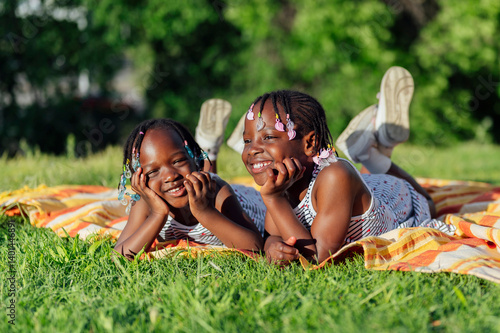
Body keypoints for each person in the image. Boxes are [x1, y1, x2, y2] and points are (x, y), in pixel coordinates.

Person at [241, 66, 452, 265]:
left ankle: (374, 154)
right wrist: (273, 246)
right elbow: (272, 235)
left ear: (310, 143)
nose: (252, 150)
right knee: (362, 180)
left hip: (396, 201)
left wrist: (272, 199)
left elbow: (319, 257)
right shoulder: (281, 185)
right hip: (358, 191)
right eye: (247, 141)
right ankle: (370, 152)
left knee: (428, 204)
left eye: (268, 137)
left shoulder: (334, 176)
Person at [114, 107, 265, 259]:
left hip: (253, 201)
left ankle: (241, 146)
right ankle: (210, 147)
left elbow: (256, 246)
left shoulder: (217, 192)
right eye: (153, 172)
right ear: (138, 179)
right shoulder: (144, 202)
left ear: (195, 158)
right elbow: (119, 256)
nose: (170, 176)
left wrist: (204, 212)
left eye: (178, 161)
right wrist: (158, 214)